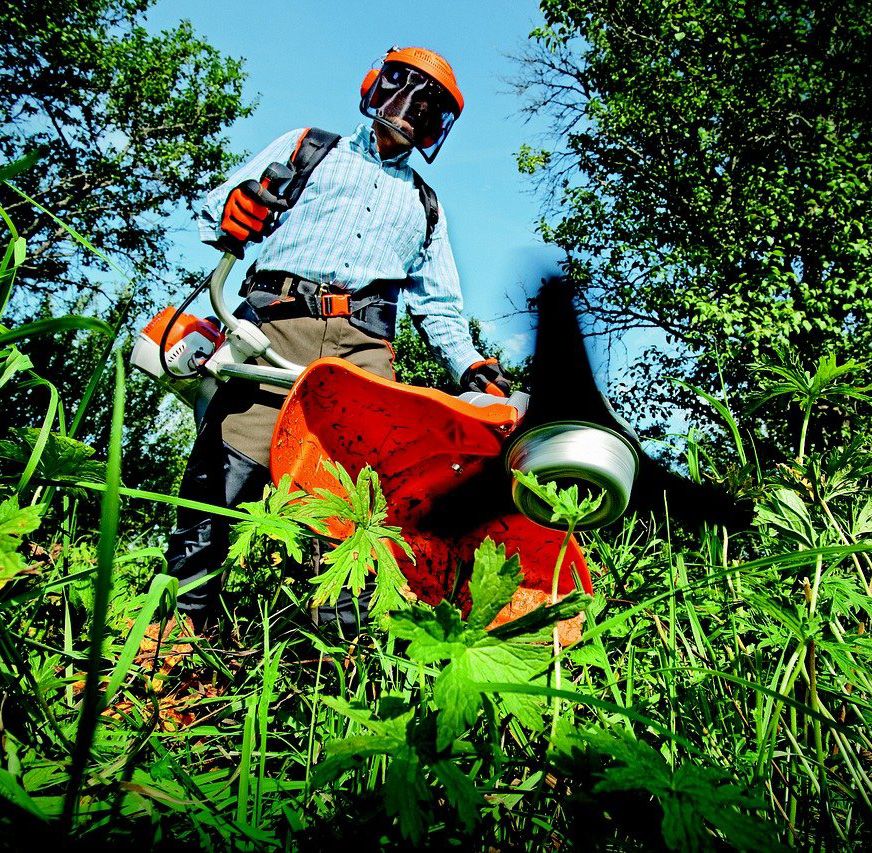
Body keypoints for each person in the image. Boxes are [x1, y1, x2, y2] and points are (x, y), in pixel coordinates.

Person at [165, 45, 512, 626]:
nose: (410, 112)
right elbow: (215, 210)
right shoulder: (310, 147)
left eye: (429, 110)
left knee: (363, 504)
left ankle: (333, 655)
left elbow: (441, 307)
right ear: (375, 86)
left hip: (362, 350)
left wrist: (470, 367)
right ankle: (174, 633)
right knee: (224, 476)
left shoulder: (425, 204)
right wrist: (236, 208)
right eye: (402, 91)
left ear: (438, 128)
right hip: (278, 324)